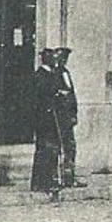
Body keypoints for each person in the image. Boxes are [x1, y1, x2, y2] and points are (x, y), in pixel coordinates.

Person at [31, 48, 62, 193]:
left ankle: (47, 180)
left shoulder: (50, 74)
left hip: (50, 117)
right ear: (46, 59)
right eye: (51, 58)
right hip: (45, 118)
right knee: (45, 150)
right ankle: (41, 182)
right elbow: (41, 97)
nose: (54, 61)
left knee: (50, 150)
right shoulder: (41, 75)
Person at [54, 46, 84, 187]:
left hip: (67, 116)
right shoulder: (54, 74)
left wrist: (74, 114)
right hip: (59, 116)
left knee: (70, 147)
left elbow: (71, 95)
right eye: (61, 58)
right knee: (62, 147)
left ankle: (69, 177)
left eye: (65, 59)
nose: (63, 61)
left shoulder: (65, 72)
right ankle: (61, 178)